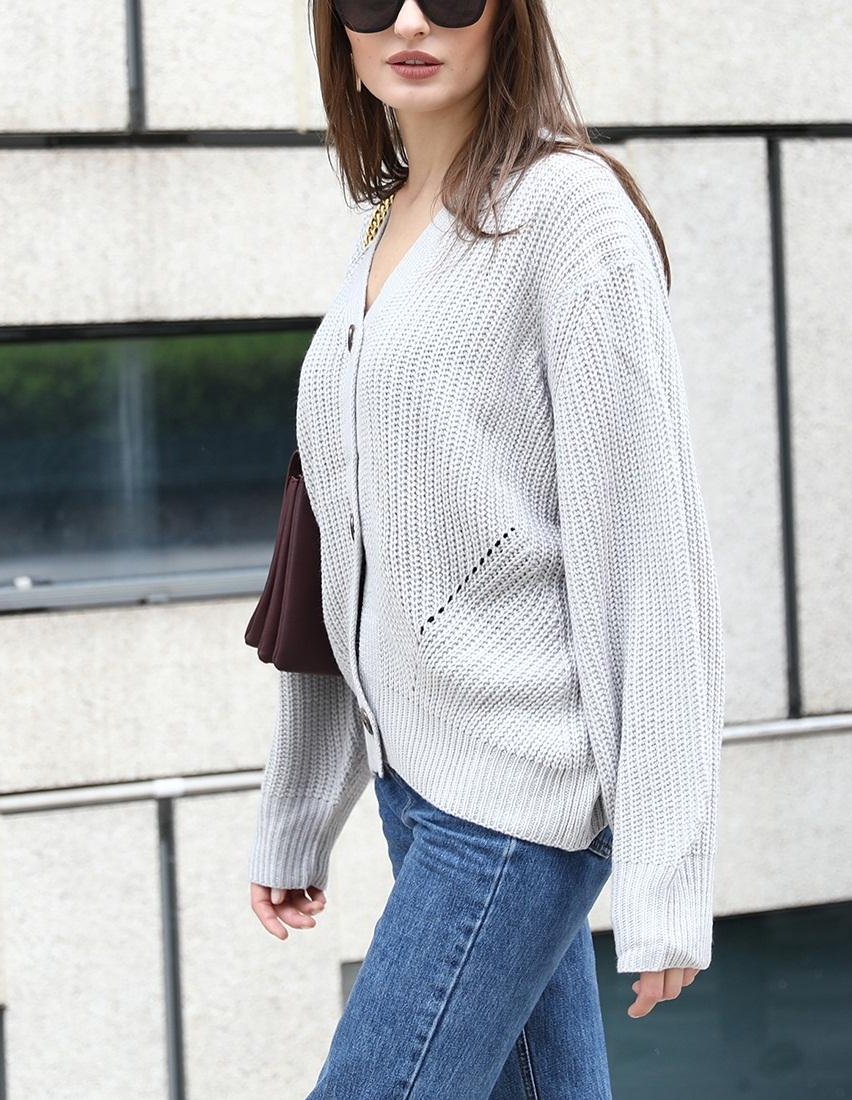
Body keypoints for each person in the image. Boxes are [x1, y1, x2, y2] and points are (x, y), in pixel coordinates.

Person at [247, 0, 726, 1096]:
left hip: (517, 798)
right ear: (337, 33)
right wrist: (297, 810)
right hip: (412, 784)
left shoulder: (569, 212)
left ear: (507, 20)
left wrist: (666, 874)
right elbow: (332, 546)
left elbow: (650, 552)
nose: (411, 21)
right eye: (373, 1)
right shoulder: (388, 216)